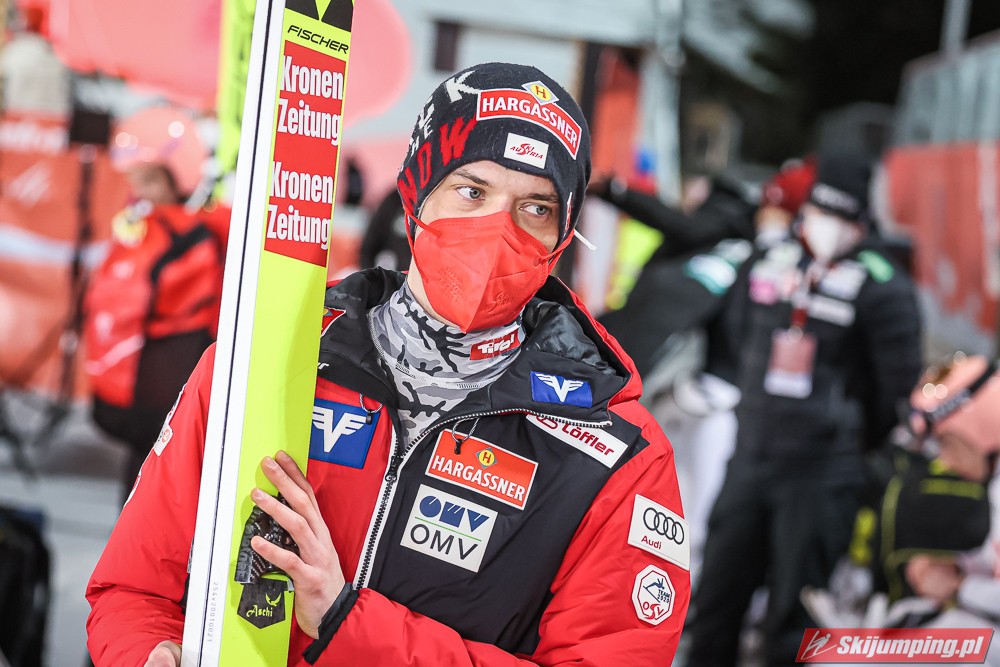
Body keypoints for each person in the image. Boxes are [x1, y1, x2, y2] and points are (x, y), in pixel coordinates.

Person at [86, 63, 691, 666]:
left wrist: (346, 622)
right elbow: (135, 589)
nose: (496, 231)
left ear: (562, 235)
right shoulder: (267, 357)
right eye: (472, 191)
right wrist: (148, 653)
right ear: (416, 193)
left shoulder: (618, 455)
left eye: (535, 208)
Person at [684, 152, 923, 666]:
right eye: (820, 211)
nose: (826, 225)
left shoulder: (884, 283)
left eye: (840, 215)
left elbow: (896, 389)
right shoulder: (772, 257)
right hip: (751, 458)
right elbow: (737, 334)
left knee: (794, 622)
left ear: (861, 220)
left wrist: (850, 443)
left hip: (822, 474)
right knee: (715, 603)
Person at [83, 106, 229, 503]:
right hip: (145, 383)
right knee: (145, 477)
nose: (140, 191)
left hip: (165, 377)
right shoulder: (153, 227)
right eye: (135, 180)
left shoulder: (198, 230)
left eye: (148, 179)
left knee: (154, 477)